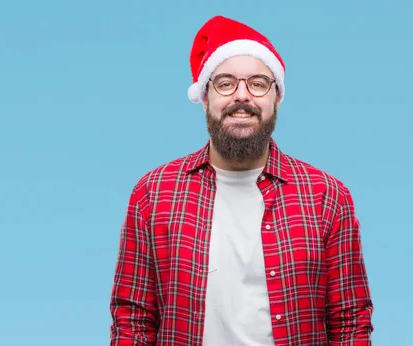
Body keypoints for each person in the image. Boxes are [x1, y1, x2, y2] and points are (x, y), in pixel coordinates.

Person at [109, 15, 374, 346]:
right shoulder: (153, 193)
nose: (242, 96)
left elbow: (350, 320)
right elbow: (132, 318)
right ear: (205, 97)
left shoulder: (327, 196)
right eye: (225, 83)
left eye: (258, 84)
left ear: (277, 98)